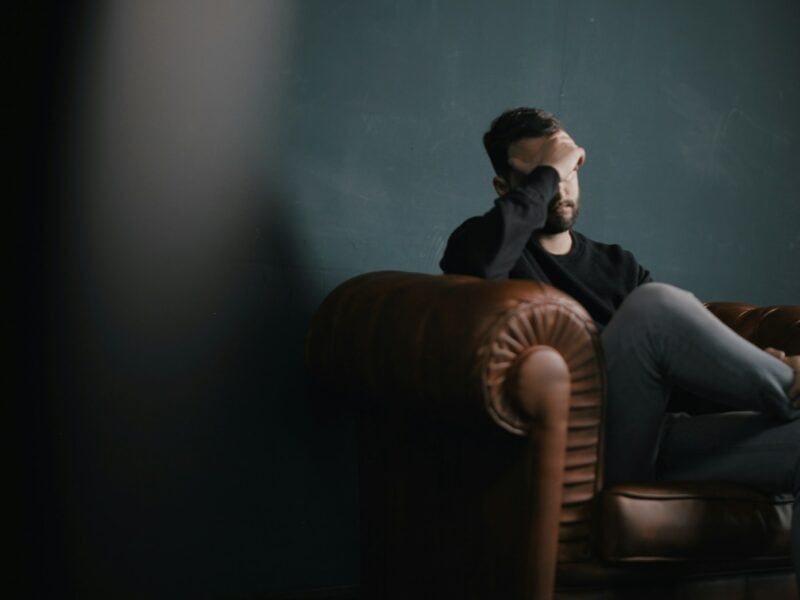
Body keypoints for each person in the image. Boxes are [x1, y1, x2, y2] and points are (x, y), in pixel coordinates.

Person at [440, 107, 800, 582]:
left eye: (569, 169)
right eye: (544, 174)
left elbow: (680, 373)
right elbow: (479, 269)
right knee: (654, 307)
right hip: (586, 453)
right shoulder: (483, 244)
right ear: (507, 189)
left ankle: (783, 388)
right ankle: (791, 386)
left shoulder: (616, 264)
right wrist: (550, 169)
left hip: (660, 441)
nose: (561, 186)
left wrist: (747, 368)